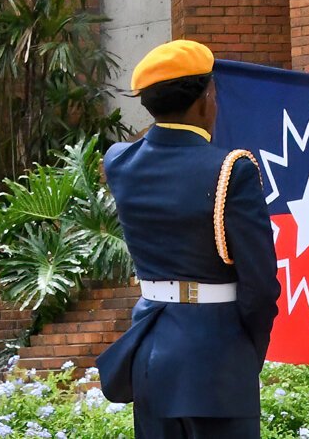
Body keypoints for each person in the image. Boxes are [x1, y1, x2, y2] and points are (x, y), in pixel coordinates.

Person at [94, 40, 280, 438]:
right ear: (205, 99)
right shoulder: (233, 170)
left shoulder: (120, 162)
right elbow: (261, 287)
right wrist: (249, 350)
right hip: (218, 358)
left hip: (152, 356)